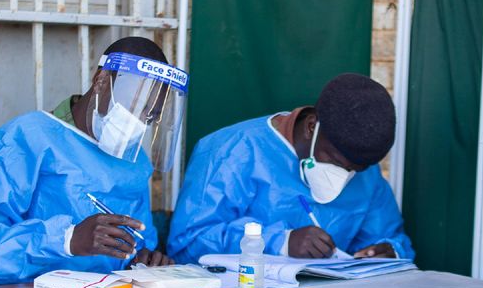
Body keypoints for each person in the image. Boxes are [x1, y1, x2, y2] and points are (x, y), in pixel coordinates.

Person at [0, 37, 185, 288]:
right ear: (101, 81)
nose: (139, 121)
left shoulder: (135, 162)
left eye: (149, 116)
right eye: (134, 106)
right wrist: (67, 240)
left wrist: (142, 261)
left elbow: (136, 243)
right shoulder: (25, 140)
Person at [167, 73, 414, 265]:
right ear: (311, 126)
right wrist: (280, 242)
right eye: (335, 162)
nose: (342, 176)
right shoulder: (232, 151)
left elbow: (390, 236)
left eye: (354, 170)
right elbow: (187, 245)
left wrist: (390, 252)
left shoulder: (363, 166)